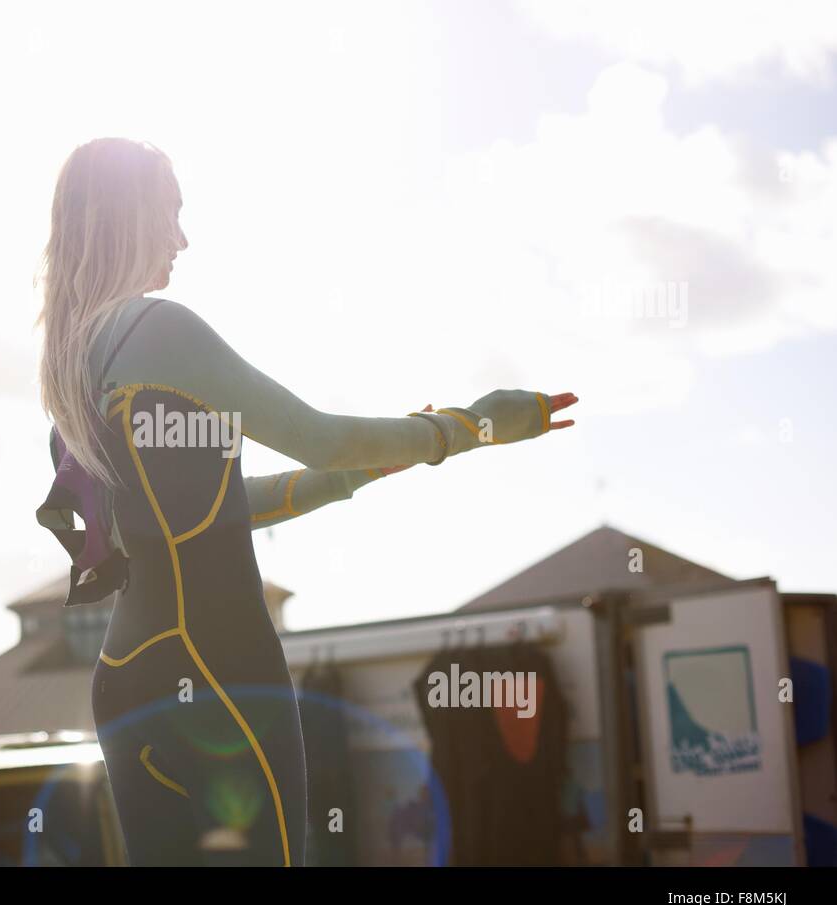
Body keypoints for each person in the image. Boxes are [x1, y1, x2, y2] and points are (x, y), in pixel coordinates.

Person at [33, 137, 578, 866]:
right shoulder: (158, 328)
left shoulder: (69, 382)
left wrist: (353, 478)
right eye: (171, 213)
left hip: (129, 681)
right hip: (219, 666)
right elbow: (320, 437)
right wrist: (470, 425)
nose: (182, 239)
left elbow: (205, 512)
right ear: (128, 217)